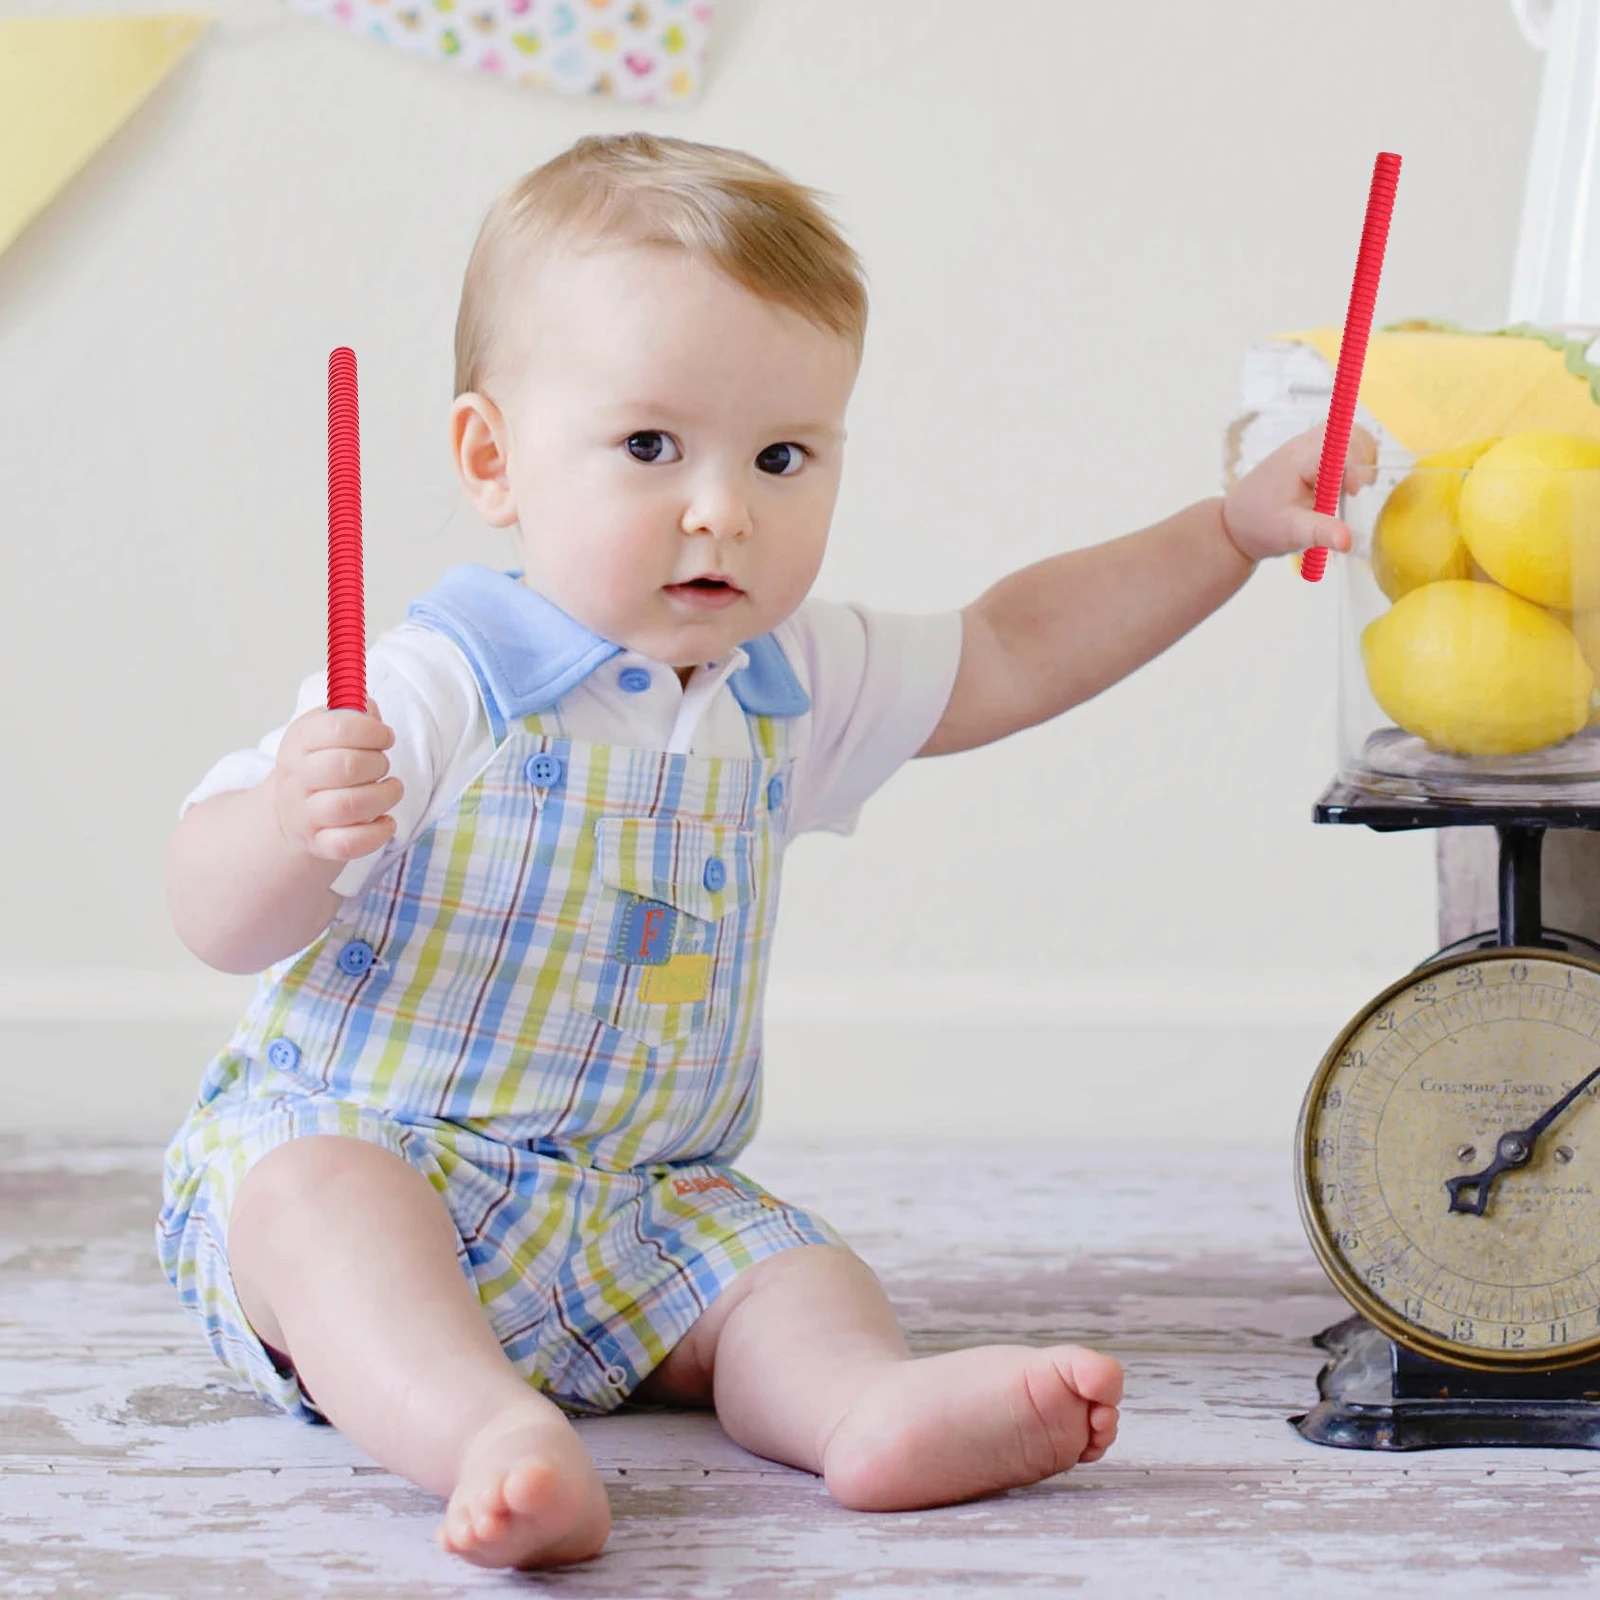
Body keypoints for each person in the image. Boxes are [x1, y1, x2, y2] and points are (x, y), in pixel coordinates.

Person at [158, 132, 1369, 1571]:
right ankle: (482, 1429)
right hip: (382, 1154)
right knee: (317, 1210)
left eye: (782, 455)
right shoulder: (438, 682)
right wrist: (294, 833)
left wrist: (1224, 532)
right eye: (651, 447)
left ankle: (861, 1408)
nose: (723, 505)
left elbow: (1014, 644)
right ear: (494, 459)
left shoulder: (781, 678)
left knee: (784, 1271)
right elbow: (213, 915)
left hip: (636, 1204)